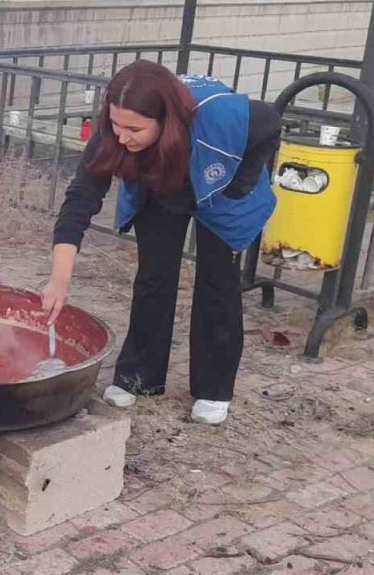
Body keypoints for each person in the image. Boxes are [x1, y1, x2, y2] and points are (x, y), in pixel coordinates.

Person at [42, 60, 281, 426]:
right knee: (154, 275)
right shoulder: (116, 131)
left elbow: (269, 122)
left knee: (217, 282)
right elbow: (81, 198)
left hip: (218, 183)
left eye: (134, 128)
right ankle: (140, 376)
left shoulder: (218, 118)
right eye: (116, 124)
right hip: (161, 180)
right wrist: (60, 278)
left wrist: (241, 182)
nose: (121, 137)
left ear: (165, 120)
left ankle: (214, 387)